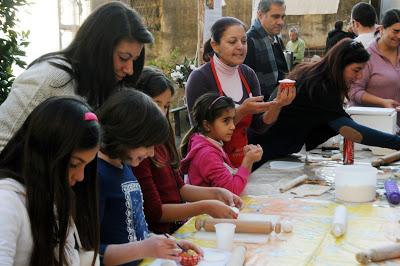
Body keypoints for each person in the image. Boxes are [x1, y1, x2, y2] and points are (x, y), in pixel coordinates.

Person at [0, 1, 154, 151]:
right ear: (98, 48)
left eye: (134, 60)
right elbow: (3, 140)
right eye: (124, 58)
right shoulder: (50, 78)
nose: (130, 70)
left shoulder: (104, 85)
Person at [249, 38, 400, 169]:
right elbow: (352, 131)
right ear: (340, 65)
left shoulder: (315, 74)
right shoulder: (320, 87)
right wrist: (396, 142)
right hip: (262, 152)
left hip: (268, 150)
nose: (359, 76)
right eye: (356, 70)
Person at [97, 89, 202, 266]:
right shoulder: (98, 176)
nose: (152, 152)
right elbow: (89, 254)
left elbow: (136, 229)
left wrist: (167, 243)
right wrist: (145, 248)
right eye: (148, 144)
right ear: (128, 133)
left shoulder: (126, 166)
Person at [133, 67, 243, 234]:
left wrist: (217, 193)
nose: (161, 113)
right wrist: (206, 206)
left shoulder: (162, 141)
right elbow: (155, 212)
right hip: (160, 236)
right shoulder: (138, 152)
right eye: (156, 104)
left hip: (177, 230)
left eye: (166, 106)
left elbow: (180, 189)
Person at [0, 96, 101, 265]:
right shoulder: (6, 203)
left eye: (86, 166)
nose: (80, 176)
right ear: (44, 155)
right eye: (74, 164)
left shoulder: (51, 196)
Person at [185, 16, 295, 167]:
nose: (240, 47)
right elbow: (201, 131)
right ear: (215, 45)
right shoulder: (200, 78)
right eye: (232, 41)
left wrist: (278, 105)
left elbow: (259, 126)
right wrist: (242, 111)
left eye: (244, 41)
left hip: (241, 164)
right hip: (209, 165)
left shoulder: (248, 74)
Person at [181, 93, 263, 195]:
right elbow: (232, 190)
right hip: (206, 210)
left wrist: (248, 160)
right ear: (207, 125)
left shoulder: (212, 144)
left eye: (232, 119)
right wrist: (247, 161)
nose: (233, 126)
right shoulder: (207, 154)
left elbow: (233, 179)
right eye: (225, 121)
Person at [349, 9, 400, 128]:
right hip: (373, 126)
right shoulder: (367, 57)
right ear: (381, 29)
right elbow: (354, 92)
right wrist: (382, 102)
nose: (399, 36)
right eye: (395, 31)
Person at [244, 0, 288, 99]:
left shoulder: (276, 39)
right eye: (275, 16)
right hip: (260, 107)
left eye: (283, 17)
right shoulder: (248, 41)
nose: (281, 22)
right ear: (260, 15)